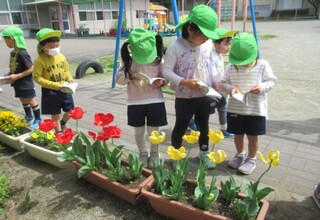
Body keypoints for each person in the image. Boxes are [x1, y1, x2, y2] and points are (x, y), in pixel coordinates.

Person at [162, 5, 220, 169]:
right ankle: (176, 155)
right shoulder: (176, 46)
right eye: (204, 35)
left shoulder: (207, 45)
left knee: (204, 126)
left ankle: (204, 153)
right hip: (184, 97)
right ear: (190, 29)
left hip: (204, 95)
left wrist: (216, 81)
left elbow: (211, 65)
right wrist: (186, 82)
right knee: (181, 125)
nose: (208, 39)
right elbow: (167, 71)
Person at [221, 32, 277, 174]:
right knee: (237, 134)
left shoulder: (263, 65)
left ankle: (251, 159)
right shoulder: (231, 67)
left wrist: (261, 87)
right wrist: (230, 88)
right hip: (235, 108)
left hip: (255, 109)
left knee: (253, 136)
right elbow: (224, 82)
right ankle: (240, 154)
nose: (242, 64)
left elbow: (272, 81)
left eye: (245, 61)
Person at [116, 27, 167, 167]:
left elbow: (165, 77)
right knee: (138, 130)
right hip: (135, 102)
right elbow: (118, 79)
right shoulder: (128, 61)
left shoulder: (158, 60)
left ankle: (155, 154)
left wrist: (161, 81)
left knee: (154, 131)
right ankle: (143, 154)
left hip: (155, 100)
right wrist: (129, 75)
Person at [33, 28, 74, 133]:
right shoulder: (39, 60)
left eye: (57, 46)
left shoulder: (61, 56)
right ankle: (59, 134)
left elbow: (66, 70)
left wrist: (69, 78)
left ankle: (63, 123)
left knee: (71, 111)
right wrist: (54, 85)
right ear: (42, 47)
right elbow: (37, 77)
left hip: (65, 89)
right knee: (56, 114)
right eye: (51, 47)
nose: (55, 48)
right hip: (50, 92)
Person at [1, 27, 41, 129]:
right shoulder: (13, 53)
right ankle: (29, 116)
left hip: (25, 82)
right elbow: (16, 67)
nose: (5, 42)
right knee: (22, 99)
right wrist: (9, 74)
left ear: (12, 39)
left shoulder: (23, 53)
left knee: (30, 100)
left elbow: (31, 68)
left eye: (5, 39)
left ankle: (38, 119)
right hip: (17, 83)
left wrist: (17, 76)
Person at [212, 28, 237, 138]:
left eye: (229, 44)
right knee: (221, 107)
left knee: (221, 107)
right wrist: (216, 82)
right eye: (226, 44)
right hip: (213, 88)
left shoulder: (219, 56)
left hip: (220, 87)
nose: (228, 47)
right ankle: (224, 128)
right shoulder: (210, 56)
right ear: (216, 43)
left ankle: (224, 128)